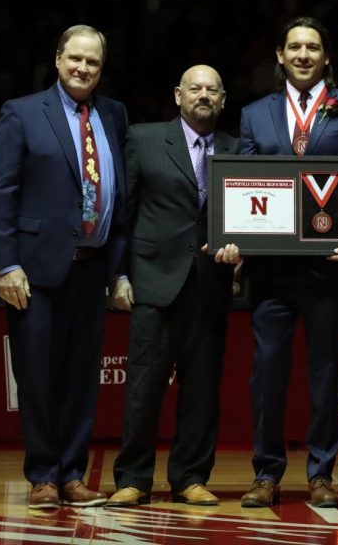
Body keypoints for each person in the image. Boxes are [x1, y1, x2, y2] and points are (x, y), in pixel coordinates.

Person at [234, 16, 338, 508]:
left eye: (313, 48)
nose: (303, 55)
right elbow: (242, 187)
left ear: (326, 58)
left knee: (325, 375)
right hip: (272, 271)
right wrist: (234, 237)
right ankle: (266, 474)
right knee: (268, 375)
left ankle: (322, 473)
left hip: (331, 267)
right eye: (294, 47)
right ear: (279, 55)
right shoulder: (254, 114)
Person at [0, 25, 128, 509]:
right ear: (58, 58)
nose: (83, 68)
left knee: (81, 378)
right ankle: (42, 473)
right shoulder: (22, 112)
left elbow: (120, 197)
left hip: (92, 267)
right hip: (35, 270)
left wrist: (118, 269)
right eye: (75, 59)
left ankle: (71, 474)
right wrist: (6, 264)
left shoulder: (113, 114)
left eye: (92, 62)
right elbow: (0, 192)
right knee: (39, 375)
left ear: (101, 68)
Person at [106, 65, 237, 507]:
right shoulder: (143, 138)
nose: (204, 95)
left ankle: (190, 477)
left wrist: (243, 252)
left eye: (212, 90)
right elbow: (122, 213)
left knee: (202, 389)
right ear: (177, 95)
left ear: (223, 100)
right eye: (195, 88)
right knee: (143, 387)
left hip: (211, 283)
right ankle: (132, 479)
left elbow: (249, 218)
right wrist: (119, 274)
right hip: (153, 280)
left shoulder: (238, 149)